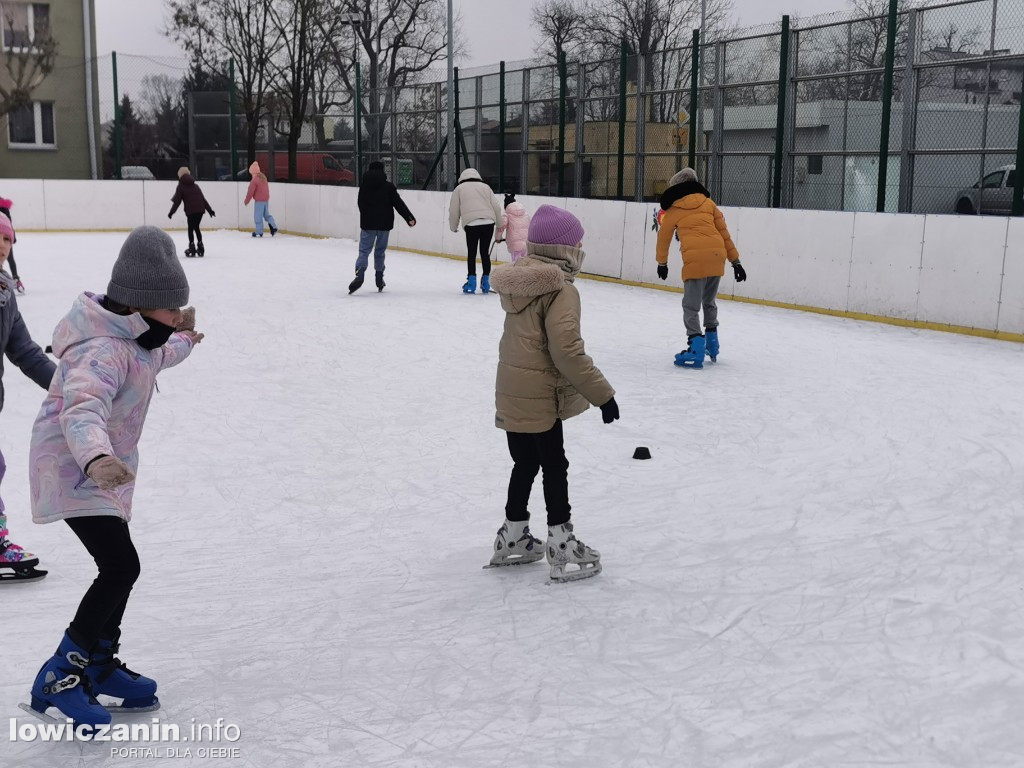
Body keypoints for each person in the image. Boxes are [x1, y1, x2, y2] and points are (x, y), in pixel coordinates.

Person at [25, 226, 204, 728]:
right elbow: (81, 412)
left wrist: (185, 338)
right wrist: (96, 460)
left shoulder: (140, 341)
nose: (176, 315)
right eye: (172, 309)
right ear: (143, 305)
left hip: (100, 476)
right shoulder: (100, 350)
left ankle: (98, 667)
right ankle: (62, 673)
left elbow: (158, 357)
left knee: (122, 567)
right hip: (73, 470)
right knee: (121, 567)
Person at [488, 205, 619, 583]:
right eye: (577, 241)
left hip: (512, 390)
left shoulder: (519, 283)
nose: (581, 246)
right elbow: (567, 351)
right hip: (541, 396)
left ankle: (512, 536)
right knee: (554, 466)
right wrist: (602, 395)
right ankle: (561, 541)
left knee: (525, 464)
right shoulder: (561, 289)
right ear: (565, 249)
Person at [0, 211, 53, 583]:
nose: (3, 246)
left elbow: (24, 351)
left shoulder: (5, 295)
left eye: (7, 240)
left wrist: (64, 384)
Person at [655, 167, 745, 368]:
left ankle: (695, 347)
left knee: (691, 305)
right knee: (709, 300)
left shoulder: (674, 208)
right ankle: (712, 343)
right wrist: (736, 262)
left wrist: (662, 263)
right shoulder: (709, 204)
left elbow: (664, 237)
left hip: (695, 260)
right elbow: (724, 233)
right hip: (717, 256)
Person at [349, 160, 417, 294]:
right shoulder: (388, 187)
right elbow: (398, 203)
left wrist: (367, 215)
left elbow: (360, 203)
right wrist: (409, 218)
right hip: (384, 225)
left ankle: (360, 273)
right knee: (379, 251)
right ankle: (379, 277)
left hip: (368, 224)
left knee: (364, 251)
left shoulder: (364, 186)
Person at [448, 168, 503, 294]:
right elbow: (496, 207)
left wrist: (453, 226)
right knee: (485, 252)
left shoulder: (459, 189)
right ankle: (486, 283)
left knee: (472, 253)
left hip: (471, 224)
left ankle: (471, 282)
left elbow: (453, 210)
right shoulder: (486, 187)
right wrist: (500, 224)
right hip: (488, 223)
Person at [168, 167, 216, 257]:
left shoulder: (181, 186)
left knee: (191, 228)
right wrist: (210, 210)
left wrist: (171, 212)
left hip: (191, 211)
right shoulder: (195, 185)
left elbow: (177, 202)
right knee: (196, 227)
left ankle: (192, 246)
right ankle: (200, 245)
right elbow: (203, 199)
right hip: (200, 210)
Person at [243, 161, 278, 238]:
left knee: (257, 216)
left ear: (253, 172)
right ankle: (274, 226)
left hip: (259, 201)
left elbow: (250, 192)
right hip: (265, 200)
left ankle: (259, 232)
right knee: (266, 215)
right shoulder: (263, 177)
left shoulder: (254, 180)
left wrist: (246, 201)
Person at [496, 193, 530, 264]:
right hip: (526, 244)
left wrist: (498, 238)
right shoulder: (525, 213)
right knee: (525, 265)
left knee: (516, 266)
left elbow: (500, 227)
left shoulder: (506, 215)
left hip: (515, 246)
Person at [0, 197, 25, 294]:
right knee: (9, 259)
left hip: (5, 235)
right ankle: (15, 279)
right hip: (6, 236)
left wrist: (10, 238)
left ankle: (16, 279)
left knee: (9, 258)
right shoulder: (4, 205)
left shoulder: (3, 205)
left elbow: (8, 223)